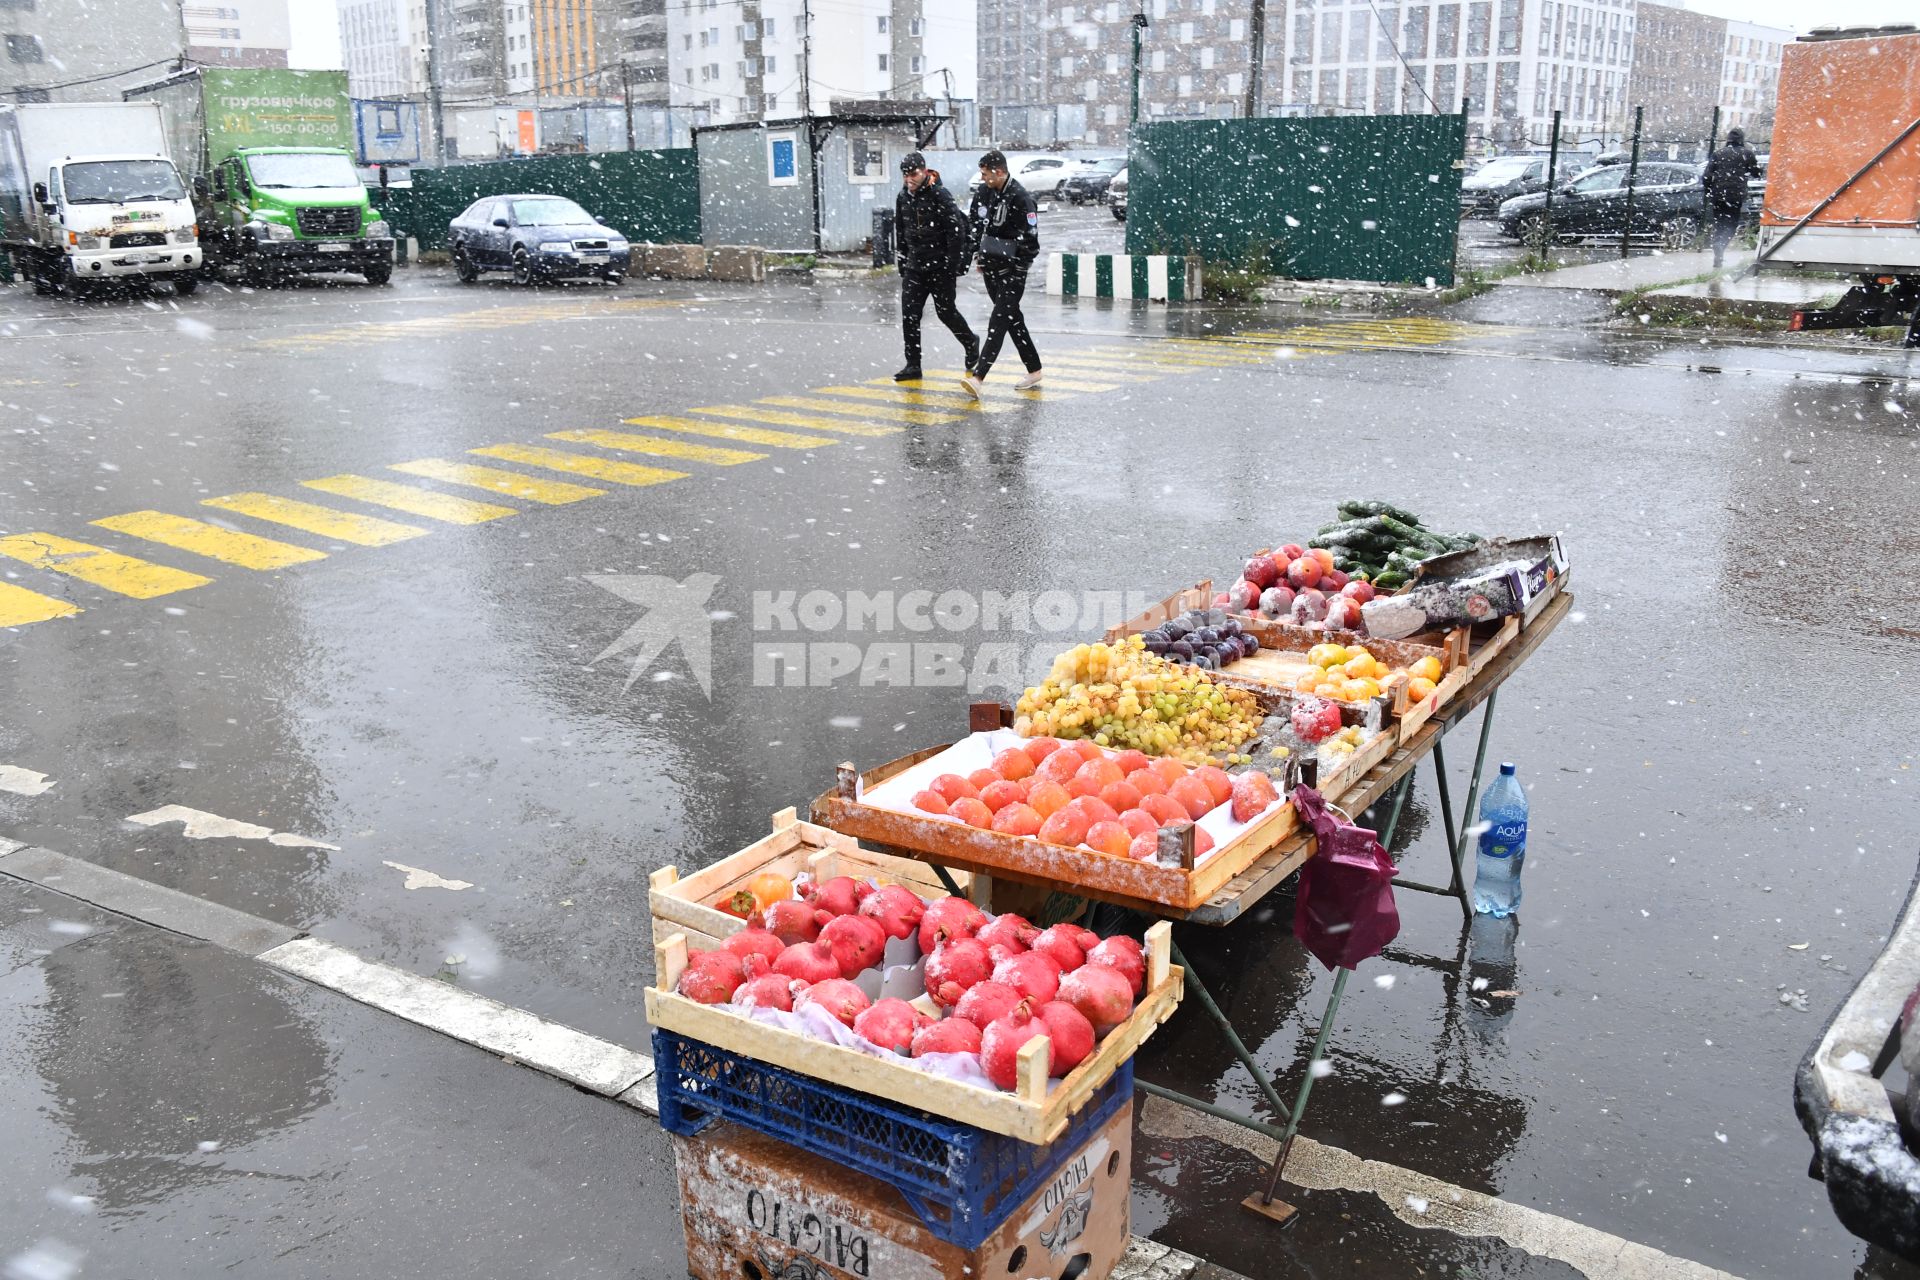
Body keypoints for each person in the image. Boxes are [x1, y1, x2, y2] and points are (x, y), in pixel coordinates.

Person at [962, 150, 1042, 396]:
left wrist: (1018, 271)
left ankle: (978, 377)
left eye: (986, 174)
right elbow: (975, 224)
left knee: (997, 322)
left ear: (999, 172)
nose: (983, 178)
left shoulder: (1021, 198)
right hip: (991, 269)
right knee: (1013, 321)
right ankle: (1035, 369)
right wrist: (978, 254)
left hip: (1012, 272)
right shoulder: (984, 192)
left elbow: (1031, 241)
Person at [892, 152, 977, 381]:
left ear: (924, 171)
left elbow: (955, 231)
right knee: (909, 315)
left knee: (946, 312)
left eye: (913, 175)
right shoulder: (903, 197)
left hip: (940, 266)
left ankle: (970, 342)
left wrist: (951, 265)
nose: (909, 180)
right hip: (914, 267)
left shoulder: (940, 194)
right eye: (905, 176)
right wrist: (902, 260)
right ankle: (913, 365)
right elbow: (900, 231)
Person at [1701, 127, 1760, 269]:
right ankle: (1720, 245)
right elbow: (1756, 173)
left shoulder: (1718, 154)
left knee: (1719, 223)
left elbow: (1706, 176)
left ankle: (1717, 249)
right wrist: (1756, 170)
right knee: (1731, 225)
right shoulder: (1747, 154)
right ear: (1741, 140)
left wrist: (1710, 190)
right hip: (1735, 196)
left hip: (1718, 195)